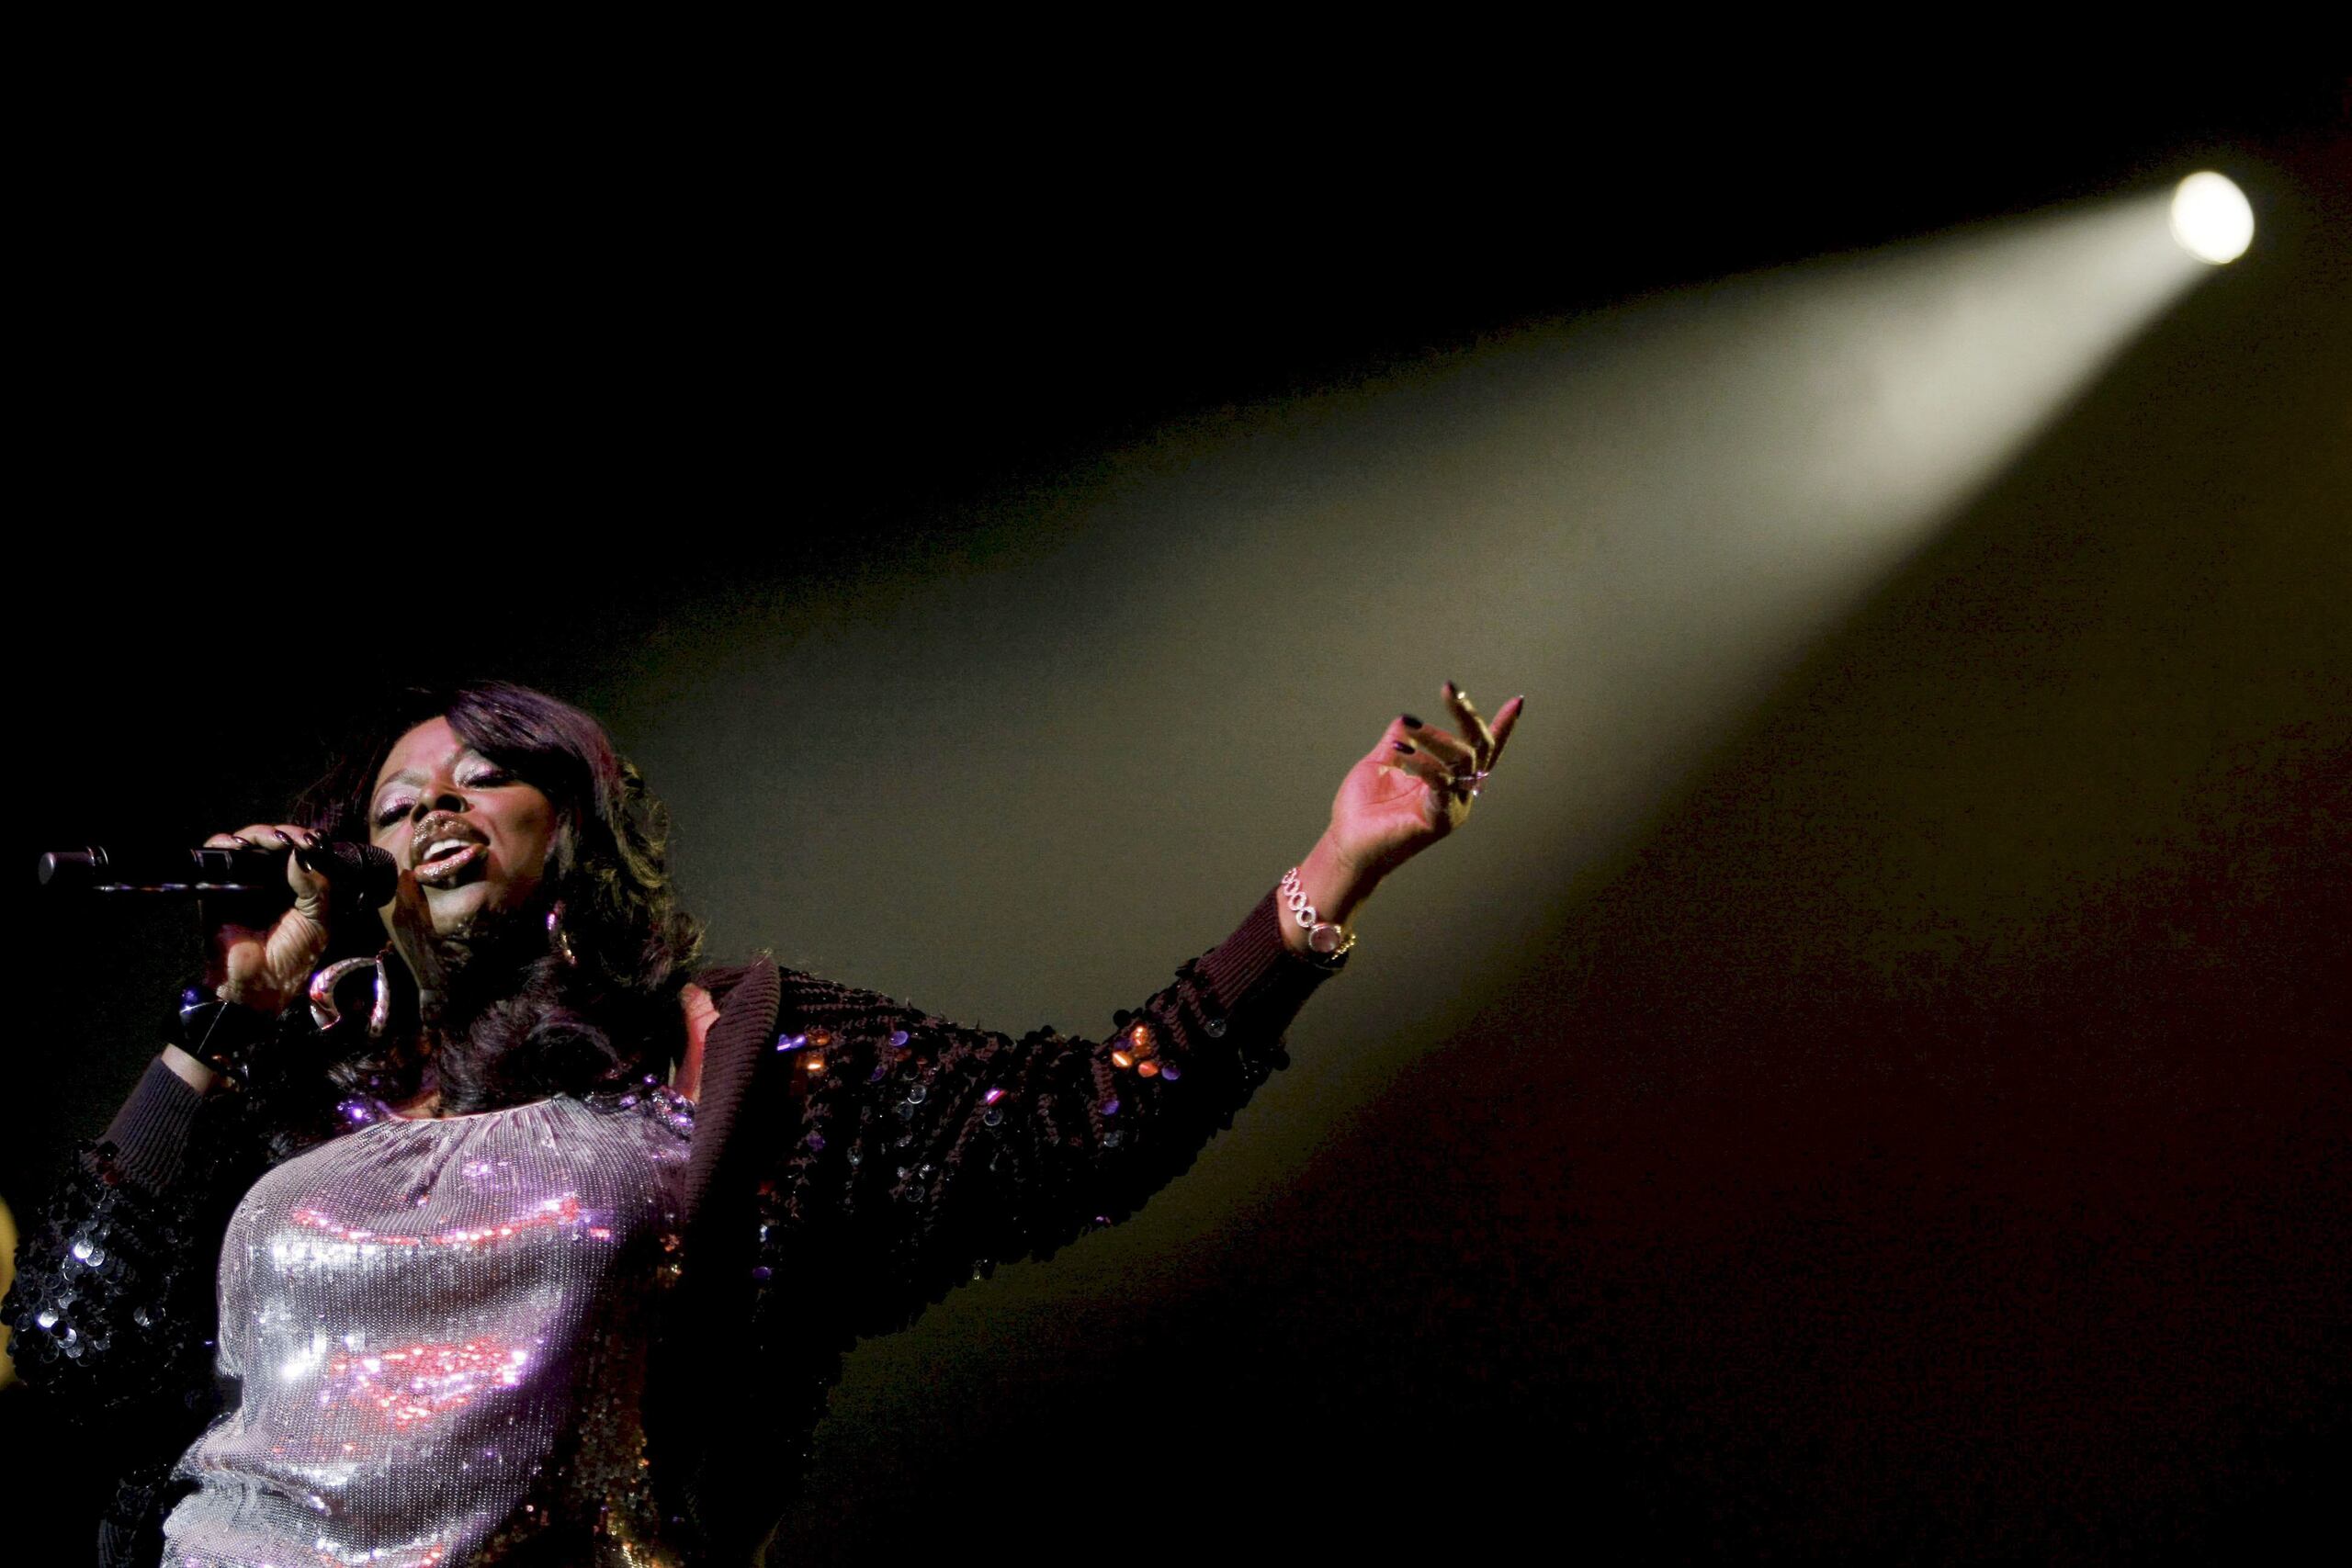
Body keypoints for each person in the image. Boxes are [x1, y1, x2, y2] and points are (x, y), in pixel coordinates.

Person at [6, 677, 1524, 1565]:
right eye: (398, 806)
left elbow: (1082, 1128)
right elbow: (65, 1344)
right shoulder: (297, 1094)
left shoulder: (738, 1054)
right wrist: (221, 1019)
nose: (437, 809)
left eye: (488, 773)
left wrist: (1333, 871)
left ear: (574, 820)